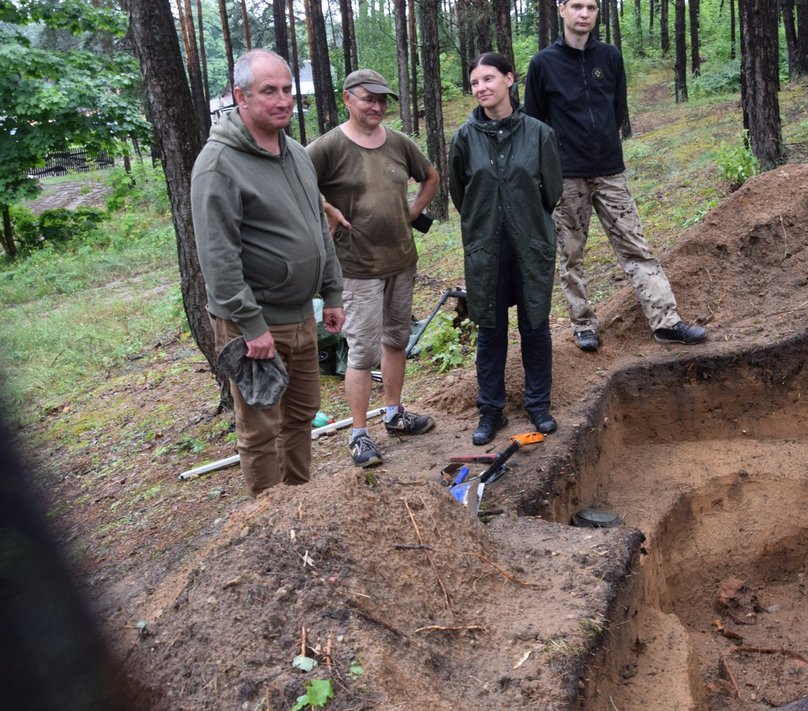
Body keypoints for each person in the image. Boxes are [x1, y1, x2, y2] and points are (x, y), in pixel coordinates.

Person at [192, 49, 345, 496]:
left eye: (286, 90)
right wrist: (251, 324)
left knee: (301, 415)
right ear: (240, 97)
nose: (282, 101)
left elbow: (319, 226)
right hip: (255, 324)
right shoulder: (218, 165)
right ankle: (269, 523)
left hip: (301, 315)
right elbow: (217, 257)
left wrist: (332, 292)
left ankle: (298, 504)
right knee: (260, 428)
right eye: (268, 91)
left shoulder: (295, 152)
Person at [524, 0, 706, 352]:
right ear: (561, 9)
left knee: (637, 247)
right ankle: (583, 325)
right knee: (571, 255)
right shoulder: (543, 64)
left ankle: (666, 322)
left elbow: (618, 108)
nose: (584, 13)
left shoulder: (609, 57)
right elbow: (535, 123)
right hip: (567, 177)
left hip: (610, 173)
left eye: (591, 7)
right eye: (576, 5)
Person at [307, 68, 439, 468]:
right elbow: (294, 183)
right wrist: (326, 208)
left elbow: (430, 176)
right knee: (362, 352)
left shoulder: (399, 143)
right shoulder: (328, 147)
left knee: (396, 340)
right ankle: (360, 436)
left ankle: (395, 414)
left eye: (383, 100)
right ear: (347, 99)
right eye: (369, 99)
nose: (377, 107)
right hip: (356, 267)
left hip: (401, 260)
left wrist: (412, 211)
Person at [448, 53, 564, 445]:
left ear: (510, 80)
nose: (481, 88)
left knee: (535, 326)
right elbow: (461, 195)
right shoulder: (464, 138)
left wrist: (524, 221)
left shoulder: (538, 134)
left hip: (530, 246)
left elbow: (552, 190)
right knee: (490, 331)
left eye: (488, 79)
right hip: (486, 249)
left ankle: (538, 404)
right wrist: (489, 223)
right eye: (475, 82)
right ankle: (490, 411)